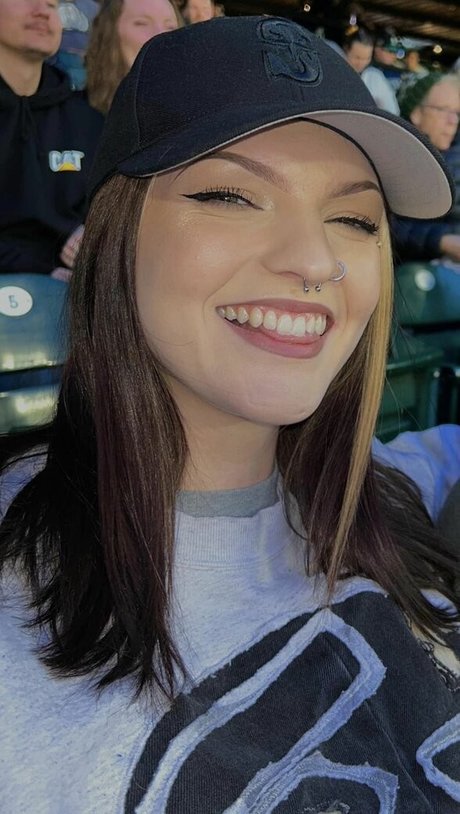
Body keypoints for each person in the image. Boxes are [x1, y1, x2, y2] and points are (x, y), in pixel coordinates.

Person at [0, 17, 459, 812]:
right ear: (115, 235)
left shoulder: (384, 494)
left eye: (354, 219)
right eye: (230, 195)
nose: (315, 260)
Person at [0, 0, 104, 277]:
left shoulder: (87, 121)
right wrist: (38, 268)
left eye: (51, 3)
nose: (43, 10)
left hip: (70, 289)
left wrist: (94, 237)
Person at [393, 72, 460, 263]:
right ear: (416, 113)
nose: (453, 121)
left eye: (457, 112)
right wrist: (441, 240)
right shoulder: (392, 159)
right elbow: (386, 227)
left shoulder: (454, 152)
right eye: (443, 110)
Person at [86, 0, 182, 115]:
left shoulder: (193, 116)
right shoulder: (75, 117)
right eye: (142, 23)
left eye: (170, 27)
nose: (160, 35)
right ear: (109, 33)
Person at [342, 27, 400, 114]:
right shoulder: (334, 71)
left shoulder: (375, 77)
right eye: (357, 57)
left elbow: (392, 111)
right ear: (346, 50)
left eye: (366, 58)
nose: (361, 63)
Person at [50, 0, 100, 90]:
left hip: (85, 61)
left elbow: (102, 39)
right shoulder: (46, 6)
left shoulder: (92, 8)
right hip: (55, 59)